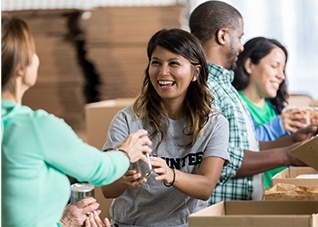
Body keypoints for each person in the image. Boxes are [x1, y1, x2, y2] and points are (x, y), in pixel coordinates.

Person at [1, 15, 152, 227]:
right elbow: (100, 170)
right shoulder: (33, 126)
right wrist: (126, 153)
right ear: (21, 67)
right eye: (32, 52)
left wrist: (65, 222)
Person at [189, 0, 318, 204]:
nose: (241, 46)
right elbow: (220, 160)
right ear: (222, 36)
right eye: (239, 37)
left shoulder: (224, 86)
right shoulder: (204, 88)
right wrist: (287, 155)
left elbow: (244, 147)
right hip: (219, 212)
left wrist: (292, 141)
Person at [101, 28, 230, 227]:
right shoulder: (128, 120)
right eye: (156, 63)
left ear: (195, 72)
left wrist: (171, 174)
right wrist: (124, 175)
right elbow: (108, 190)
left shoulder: (214, 123)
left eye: (174, 63)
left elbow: (206, 186)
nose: (163, 72)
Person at [232, 36, 310, 188]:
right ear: (249, 65)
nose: (281, 76)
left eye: (283, 69)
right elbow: (241, 149)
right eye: (274, 66)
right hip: (254, 198)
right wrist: (277, 126)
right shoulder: (236, 104)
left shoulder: (274, 109)